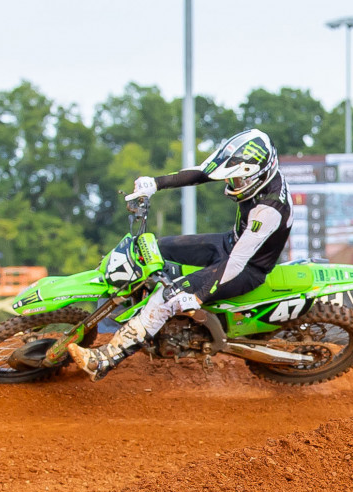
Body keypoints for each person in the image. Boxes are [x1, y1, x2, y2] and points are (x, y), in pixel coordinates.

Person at [67, 128, 292, 379]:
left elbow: (238, 261)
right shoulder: (253, 169)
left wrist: (198, 294)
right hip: (230, 243)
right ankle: (129, 319)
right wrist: (156, 183)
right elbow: (203, 173)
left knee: (167, 297)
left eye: (237, 181)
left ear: (257, 177)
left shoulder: (269, 209)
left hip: (247, 268)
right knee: (155, 249)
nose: (231, 184)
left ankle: (105, 360)